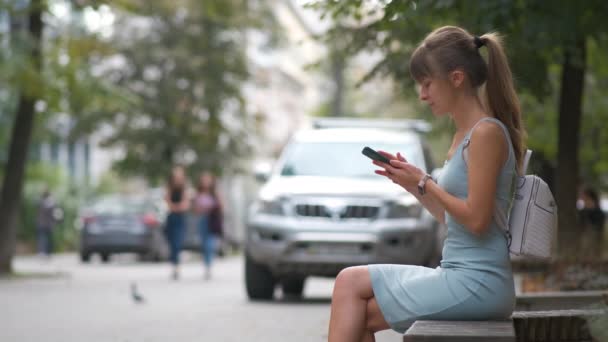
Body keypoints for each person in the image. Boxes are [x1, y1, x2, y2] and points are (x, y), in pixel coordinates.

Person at [328, 26, 525, 341]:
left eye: (427, 83)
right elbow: (454, 220)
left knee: (352, 298)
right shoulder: (463, 136)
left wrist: (426, 182)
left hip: (478, 282)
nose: (422, 95)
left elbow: (477, 220)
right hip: (458, 274)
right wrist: (413, 185)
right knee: (349, 287)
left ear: (456, 78)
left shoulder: (486, 133)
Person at [193, 172, 224, 280]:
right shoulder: (198, 194)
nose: (206, 182)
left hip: (212, 220)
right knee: (204, 244)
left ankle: (209, 265)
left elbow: (221, 206)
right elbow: (196, 210)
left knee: (210, 245)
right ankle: (206, 265)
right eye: (204, 180)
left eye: (208, 180)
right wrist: (202, 208)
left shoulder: (215, 194)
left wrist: (212, 207)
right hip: (202, 220)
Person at [164, 165, 190, 280]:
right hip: (171, 218)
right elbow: (167, 202)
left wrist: (175, 207)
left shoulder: (184, 188)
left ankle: (177, 266)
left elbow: (185, 205)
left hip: (180, 218)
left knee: (177, 243)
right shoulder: (169, 188)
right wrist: (176, 207)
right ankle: (174, 265)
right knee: (171, 242)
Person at [577, 185, 605, 258]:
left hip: (593, 239)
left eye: (583, 196)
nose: (582, 198)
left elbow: (599, 227)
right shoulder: (582, 211)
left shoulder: (598, 212)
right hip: (583, 239)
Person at [36, 188, 58, 258]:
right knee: (45, 239)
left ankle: (44, 252)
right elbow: (54, 214)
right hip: (47, 224)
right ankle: (46, 253)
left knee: (43, 239)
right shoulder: (50, 202)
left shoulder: (42, 202)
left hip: (43, 224)